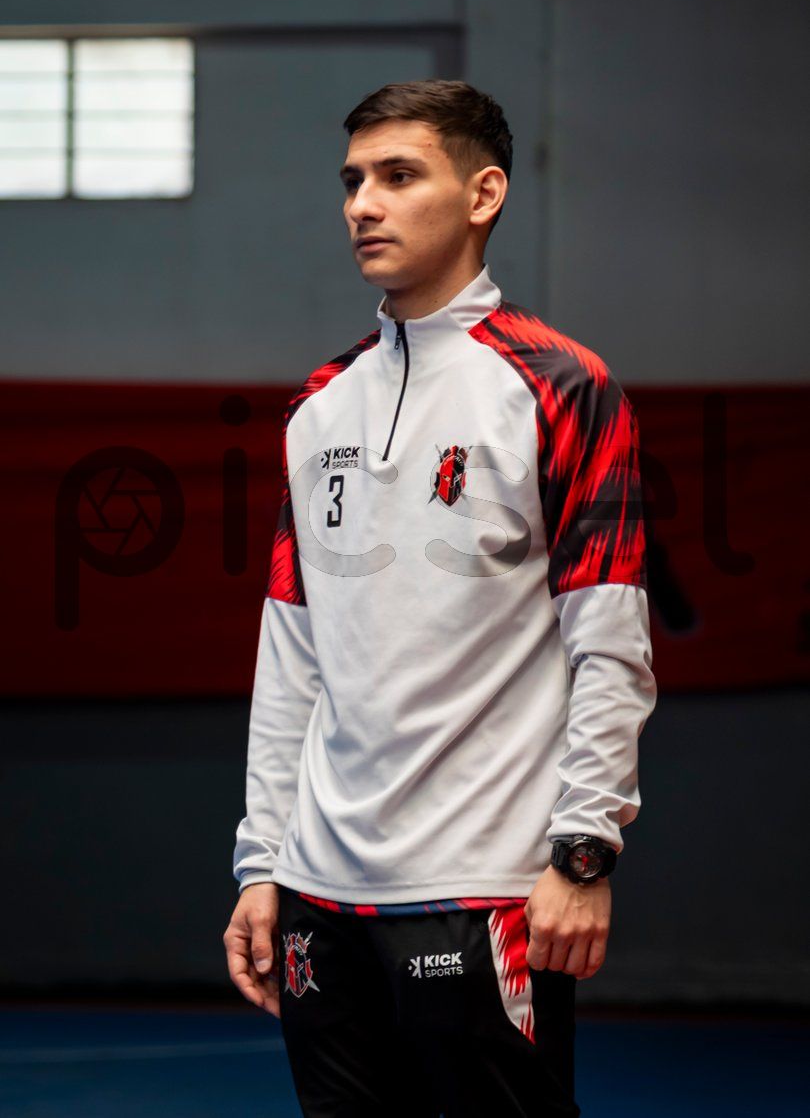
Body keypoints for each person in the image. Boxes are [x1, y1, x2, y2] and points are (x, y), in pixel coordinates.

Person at [223, 79, 657, 1117]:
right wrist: (261, 861)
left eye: (398, 175)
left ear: (483, 193)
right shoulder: (317, 405)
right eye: (352, 181)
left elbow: (610, 645)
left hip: (482, 888)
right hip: (319, 898)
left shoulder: (562, 385)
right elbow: (292, 653)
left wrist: (584, 853)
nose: (362, 205)